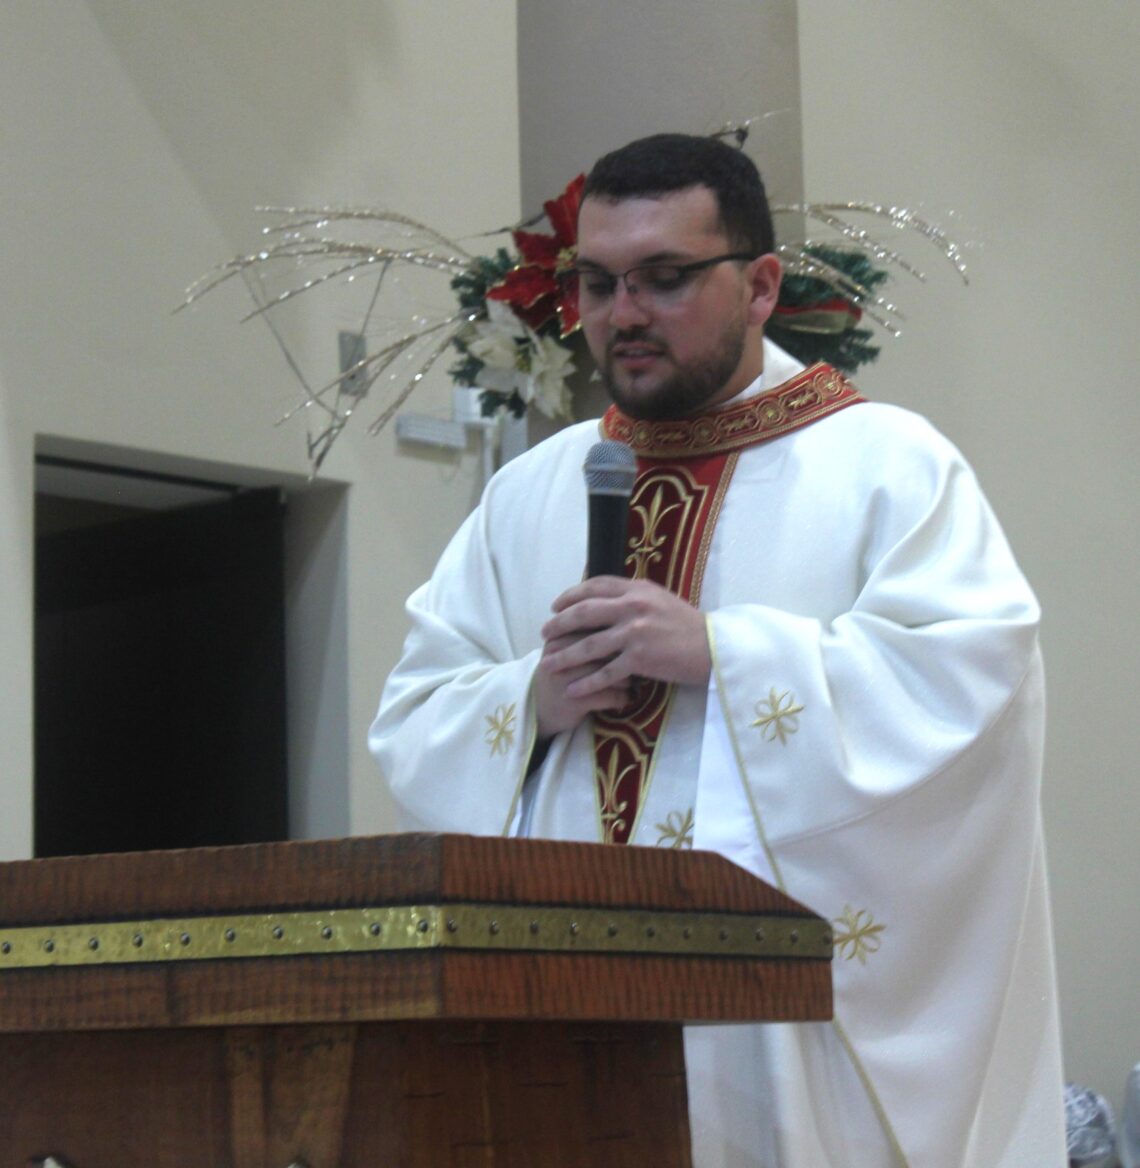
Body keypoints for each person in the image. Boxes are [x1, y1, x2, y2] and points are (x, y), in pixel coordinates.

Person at [370, 133, 1066, 1167]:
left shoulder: (888, 466)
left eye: (665, 278)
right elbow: (417, 716)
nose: (624, 313)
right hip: (555, 1009)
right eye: (598, 283)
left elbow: (971, 684)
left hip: (771, 1027)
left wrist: (723, 654)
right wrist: (535, 699)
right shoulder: (530, 491)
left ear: (760, 286)